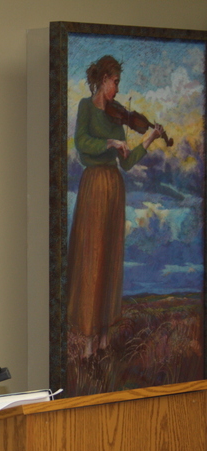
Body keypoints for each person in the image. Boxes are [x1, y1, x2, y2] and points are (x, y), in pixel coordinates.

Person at [67, 55, 162, 359]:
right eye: (116, 82)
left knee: (110, 257)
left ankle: (104, 339)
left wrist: (149, 138)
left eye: (119, 83)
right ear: (104, 79)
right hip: (93, 186)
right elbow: (82, 143)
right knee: (91, 257)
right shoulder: (85, 107)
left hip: (113, 188)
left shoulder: (119, 119)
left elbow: (128, 161)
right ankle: (88, 342)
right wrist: (108, 143)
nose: (118, 89)